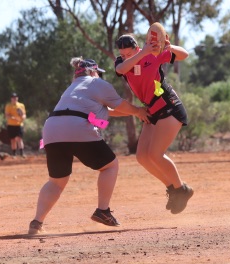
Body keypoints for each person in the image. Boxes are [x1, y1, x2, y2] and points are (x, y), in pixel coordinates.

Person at [28, 57, 149, 234]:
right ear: (93, 71)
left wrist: (133, 113)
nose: (99, 75)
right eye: (98, 73)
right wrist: (139, 111)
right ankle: (103, 211)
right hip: (77, 127)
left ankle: (36, 223)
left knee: (56, 182)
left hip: (52, 129)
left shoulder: (72, 88)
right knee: (110, 166)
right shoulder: (96, 83)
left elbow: (106, 110)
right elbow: (120, 104)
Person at [114, 33, 194, 214]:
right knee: (142, 157)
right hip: (151, 110)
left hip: (169, 107)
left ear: (136, 47)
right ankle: (173, 188)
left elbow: (184, 55)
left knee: (155, 154)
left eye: (129, 53)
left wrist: (169, 47)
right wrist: (139, 55)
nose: (125, 56)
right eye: (123, 54)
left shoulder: (153, 54)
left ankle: (182, 189)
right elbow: (121, 69)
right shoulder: (123, 62)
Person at [5, 92, 26, 158]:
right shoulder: (8, 106)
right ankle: (14, 154)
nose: (14, 99)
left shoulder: (21, 105)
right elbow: (7, 115)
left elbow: (24, 114)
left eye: (15, 97)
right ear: (11, 99)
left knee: (19, 139)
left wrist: (23, 117)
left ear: (17, 98)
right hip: (11, 125)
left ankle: (22, 153)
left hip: (19, 125)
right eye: (13, 97)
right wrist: (13, 118)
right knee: (13, 139)